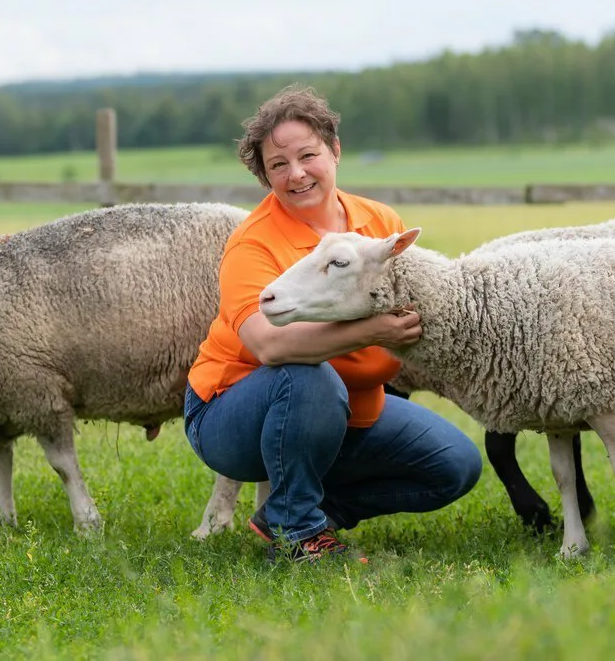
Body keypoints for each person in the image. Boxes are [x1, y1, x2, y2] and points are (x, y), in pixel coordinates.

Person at [184, 85, 482, 563]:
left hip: (347, 411)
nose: (296, 173)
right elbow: (269, 346)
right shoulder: (252, 245)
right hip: (232, 414)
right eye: (278, 165)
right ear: (265, 176)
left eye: (308, 155)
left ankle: (301, 511)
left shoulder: (377, 221)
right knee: (308, 373)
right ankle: (297, 534)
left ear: (335, 150)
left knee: (455, 465)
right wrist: (371, 333)